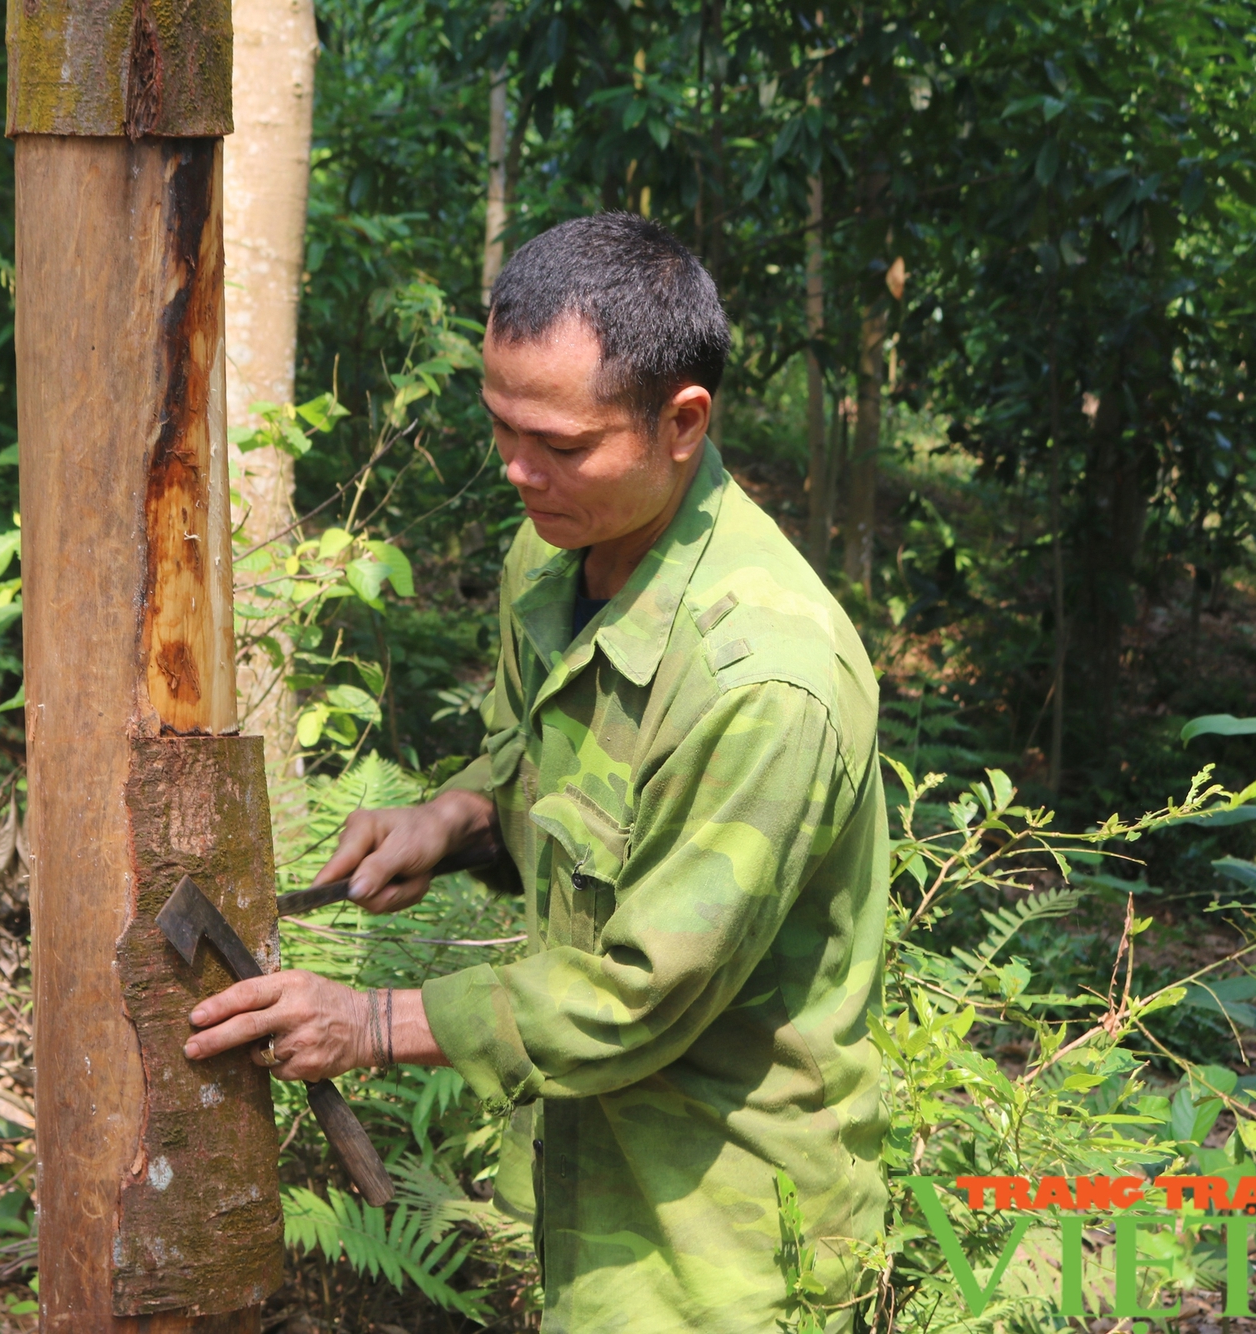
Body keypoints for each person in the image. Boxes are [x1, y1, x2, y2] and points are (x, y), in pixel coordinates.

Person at [184, 213, 889, 1331]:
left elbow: (644, 989)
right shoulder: (555, 549)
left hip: (725, 1241)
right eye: (499, 428)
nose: (518, 472)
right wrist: (456, 819)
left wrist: (372, 1022)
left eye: (560, 446)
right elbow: (548, 784)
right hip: (585, 1188)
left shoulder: (764, 682)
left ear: (681, 423)